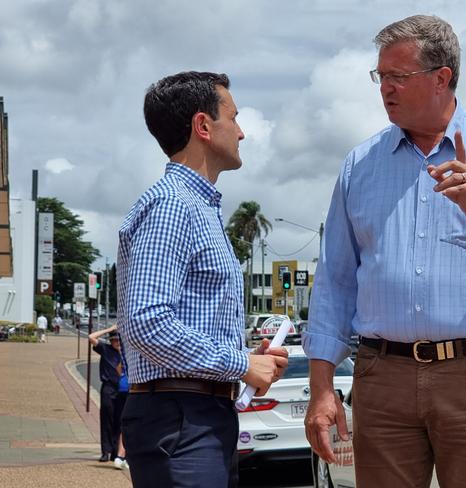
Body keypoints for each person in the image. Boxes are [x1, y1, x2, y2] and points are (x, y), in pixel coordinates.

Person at [303, 15, 466, 488]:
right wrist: (321, 390)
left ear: (442, 77)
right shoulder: (359, 165)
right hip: (382, 379)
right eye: (380, 77)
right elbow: (335, 283)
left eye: (398, 77)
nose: (385, 88)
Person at [117, 71, 289, 488]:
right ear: (203, 126)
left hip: (195, 416)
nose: (243, 132)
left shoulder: (197, 206)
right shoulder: (173, 205)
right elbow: (147, 322)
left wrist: (247, 356)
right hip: (180, 418)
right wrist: (242, 363)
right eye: (234, 116)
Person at [88, 324, 123, 462]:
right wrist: (110, 329)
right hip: (108, 388)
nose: (117, 342)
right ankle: (105, 451)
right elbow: (91, 337)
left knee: (119, 421)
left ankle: (116, 452)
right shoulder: (105, 349)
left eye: (119, 340)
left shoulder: (126, 353)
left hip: (122, 389)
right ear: (111, 341)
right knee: (106, 419)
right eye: (114, 340)